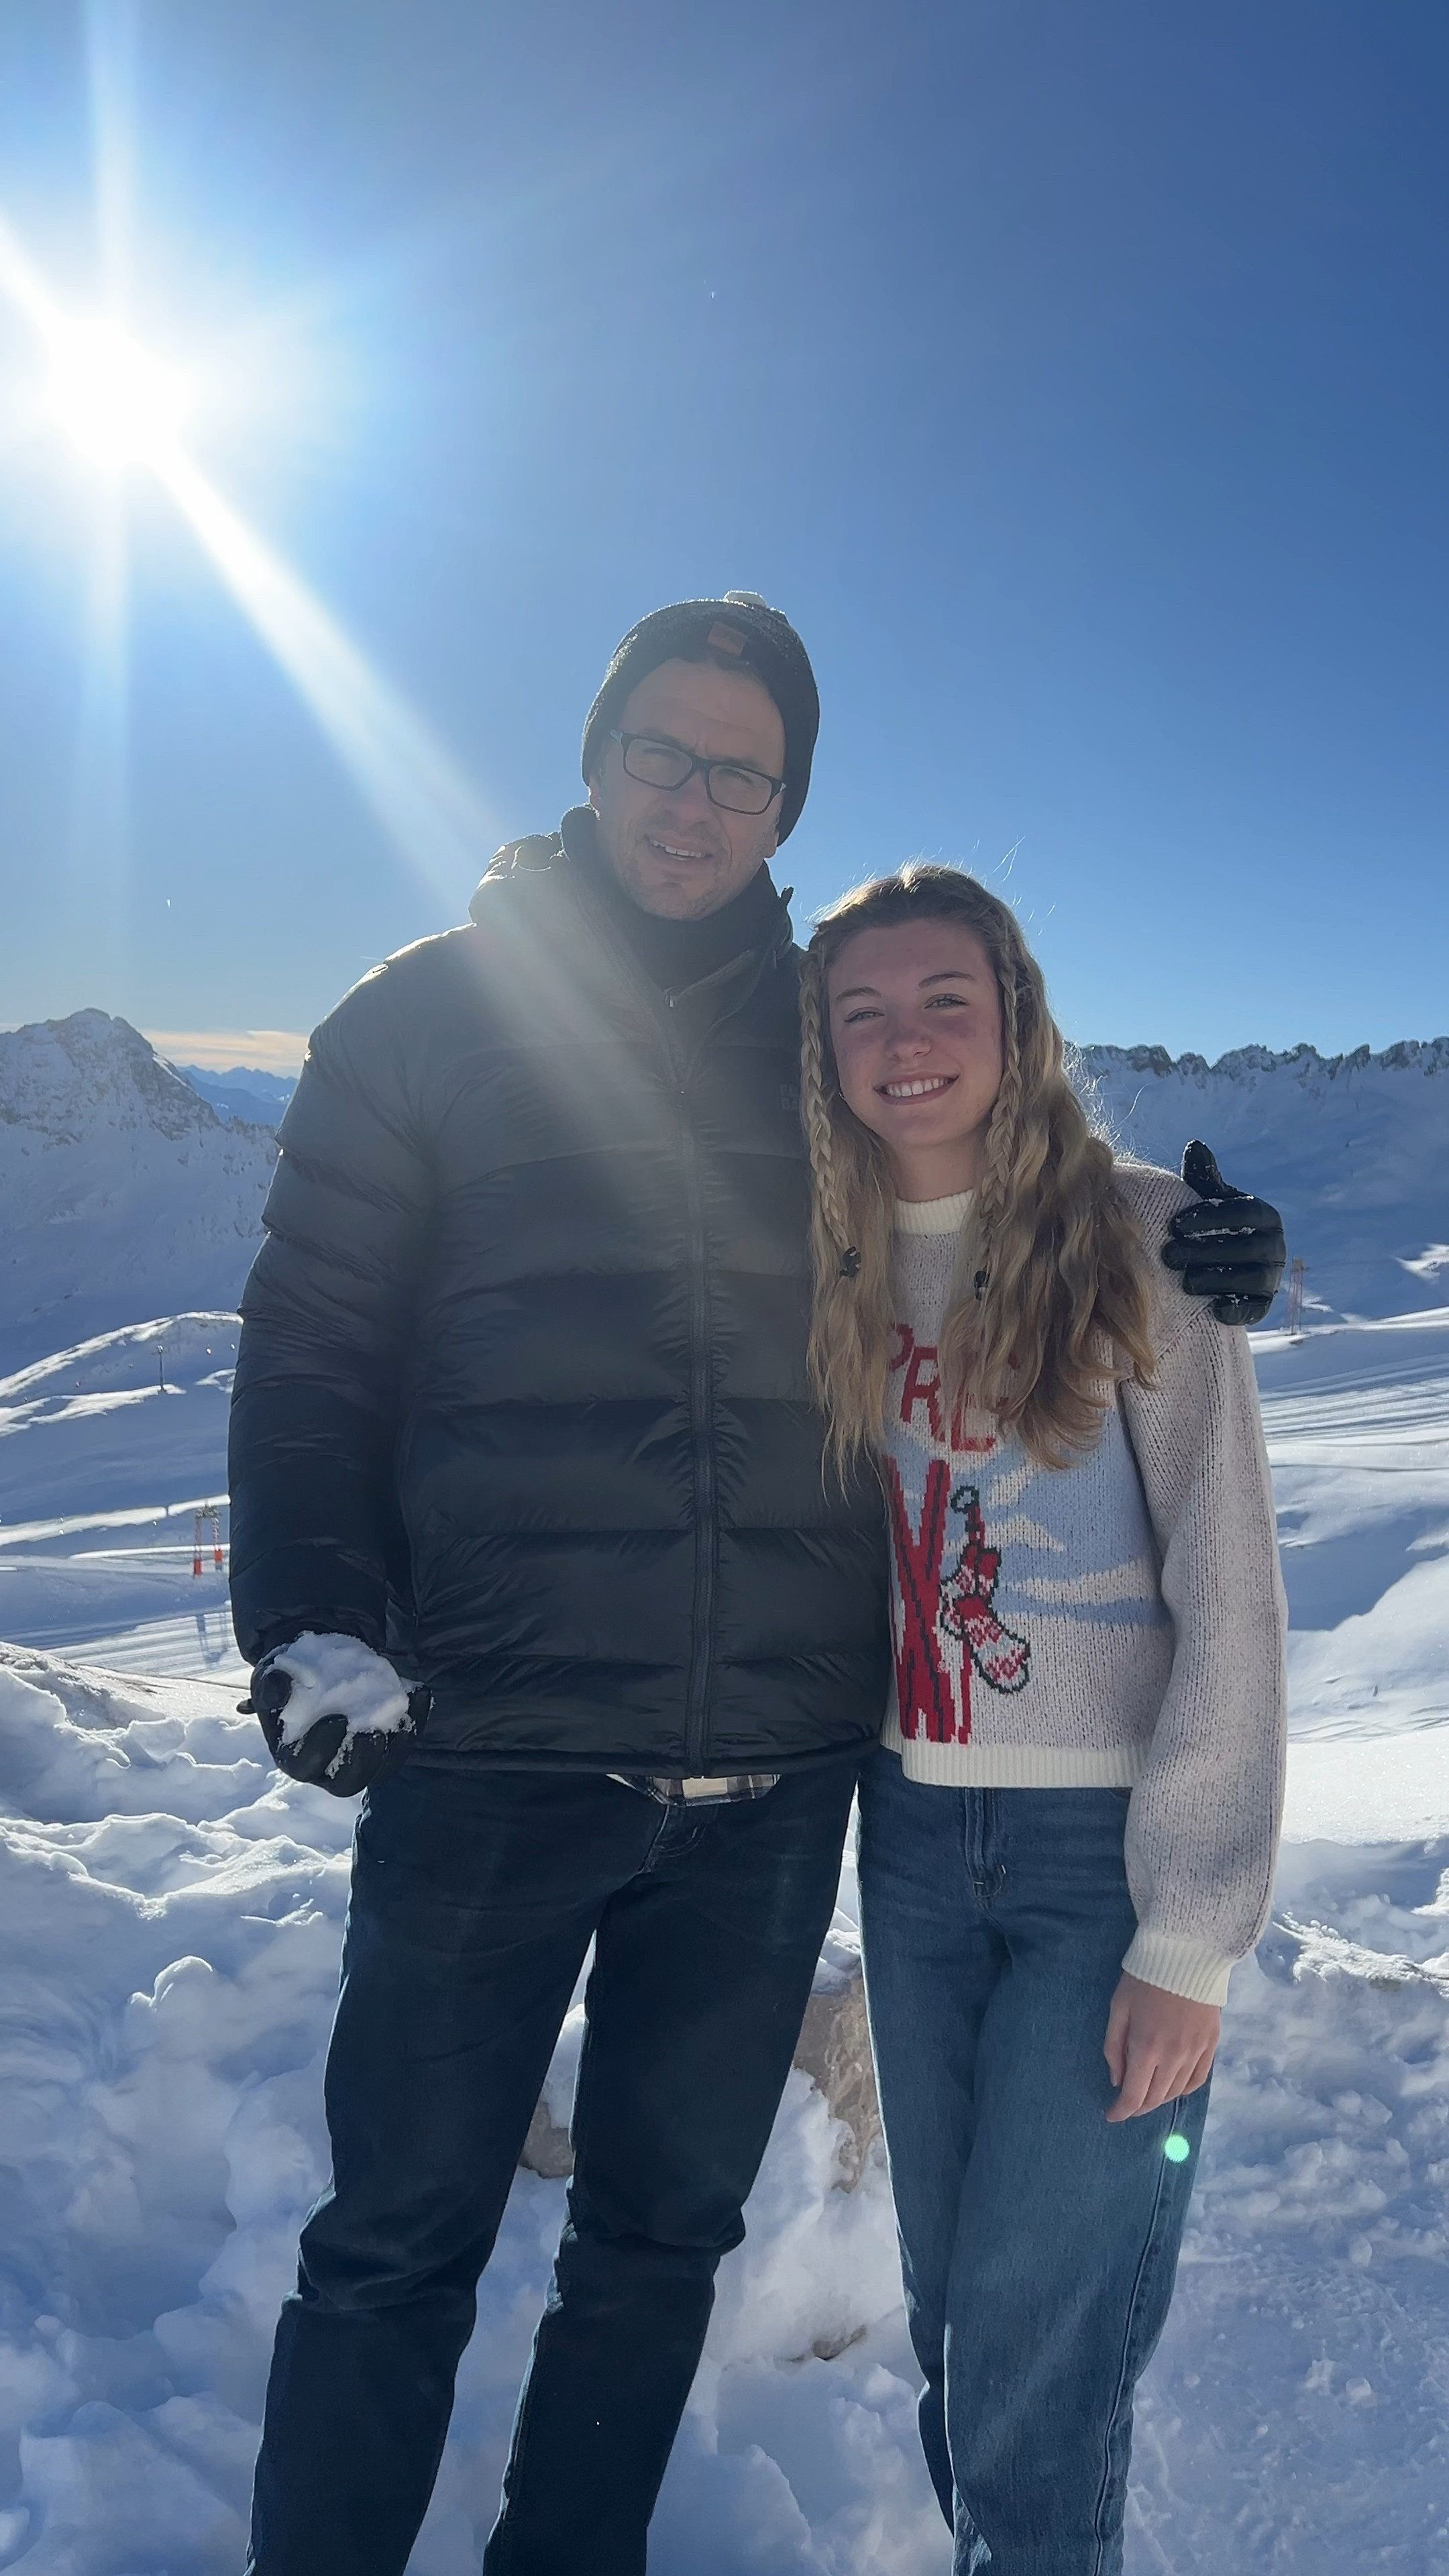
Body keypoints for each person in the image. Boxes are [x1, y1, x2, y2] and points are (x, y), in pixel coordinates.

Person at [227, 596, 1285, 2576]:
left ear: (786, 801)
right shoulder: (421, 1023)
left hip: (779, 1780)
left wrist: (1195, 1235)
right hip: (497, 1744)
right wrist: (304, 1610)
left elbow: (990, 1145)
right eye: (664, 750)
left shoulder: (804, 1027)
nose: (696, 799)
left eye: (744, 769)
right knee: (394, 2242)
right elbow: (310, 1346)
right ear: (594, 750)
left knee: (656, 2245)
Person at [798, 862, 1287, 2576]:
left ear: (1015, 1017)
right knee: (957, 2315)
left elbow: (1230, 1583)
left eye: (946, 1001)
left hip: (1104, 1858)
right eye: (863, 1011)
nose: (905, 1042)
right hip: (913, 1841)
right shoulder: (828, 1248)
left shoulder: (1141, 1236)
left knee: (1037, 2333)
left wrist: (1195, 1931)